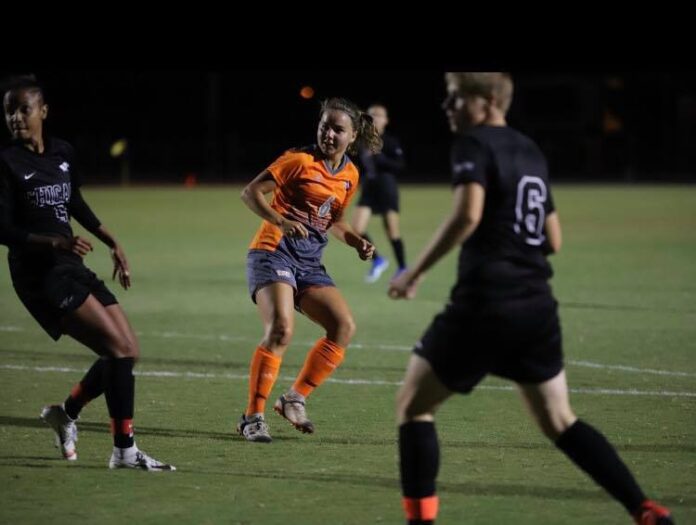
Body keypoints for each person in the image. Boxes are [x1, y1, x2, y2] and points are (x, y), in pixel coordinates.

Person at [388, 73, 673, 525]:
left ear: (487, 101)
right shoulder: (530, 150)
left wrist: (414, 272)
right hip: (536, 307)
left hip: (485, 304)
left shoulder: (473, 144)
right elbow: (553, 239)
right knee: (560, 421)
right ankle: (644, 508)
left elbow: (467, 215)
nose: (447, 105)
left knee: (414, 407)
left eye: (456, 97)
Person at [0, 75, 175, 471]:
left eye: (24, 109)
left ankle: (65, 413)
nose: (16, 118)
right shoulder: (6, 162)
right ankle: (124, 451)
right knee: (117, 350)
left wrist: (112, 241)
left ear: (43, 111)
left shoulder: (62, 152)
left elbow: (74, 201)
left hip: (69, 264)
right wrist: (53, 242)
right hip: (38, 275)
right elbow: (3, 229)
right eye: (9, 111)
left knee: (128, 351)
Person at [237, 97, 381, 443]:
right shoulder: (298, 160)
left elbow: (335, 221)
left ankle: (293, 399)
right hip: (273, 252)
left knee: (343, 326)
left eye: (337, 129)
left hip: (309, 263)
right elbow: (250, 192)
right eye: (324, 126)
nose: (328, 134)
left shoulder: (350, 174)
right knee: (281, 329)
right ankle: (252, 418)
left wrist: (357, 241)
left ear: (352, 136)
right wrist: (281, 221)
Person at [350, 104, 408, 283]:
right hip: (369, 186)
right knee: (356, 228)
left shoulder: (390, 141)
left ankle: (403, 268)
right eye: (371, 115)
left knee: (392, 231)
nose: (374, 118)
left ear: (386, 120)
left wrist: (382, 159)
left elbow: (400, 165)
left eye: (378, 115)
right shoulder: (362, 141)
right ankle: (378, 260)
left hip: (386, 186)